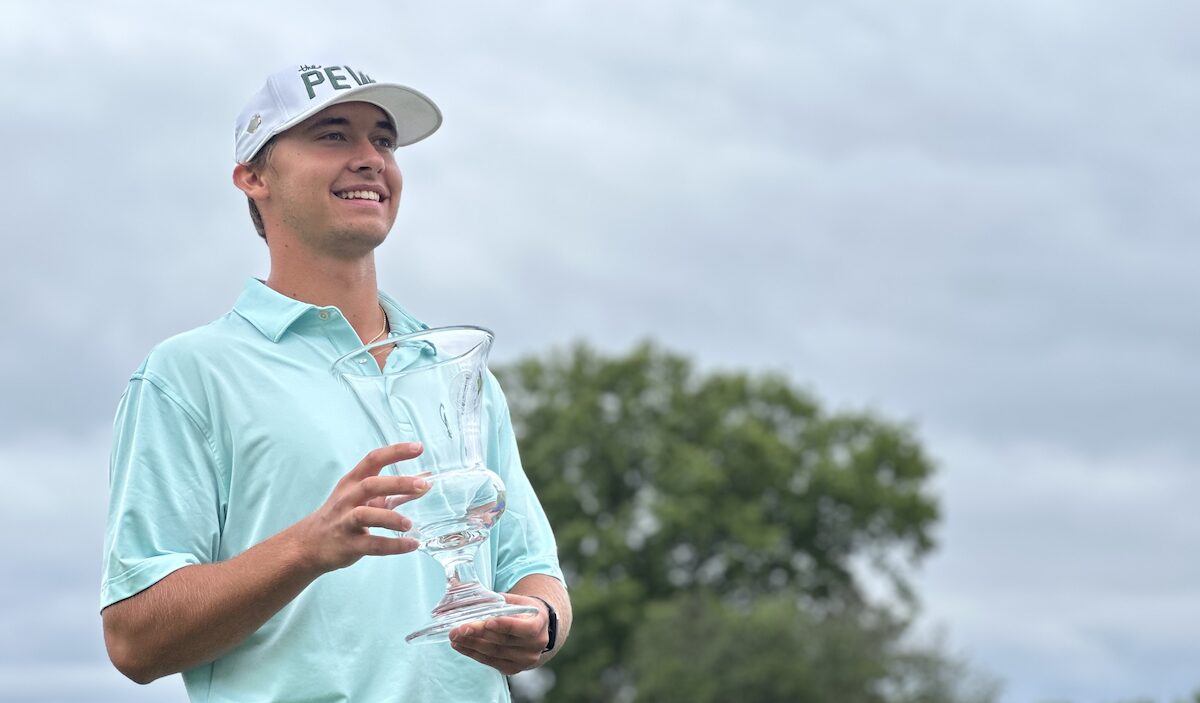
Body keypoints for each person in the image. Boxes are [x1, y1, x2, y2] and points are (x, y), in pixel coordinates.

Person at [100, 61, 570, 703]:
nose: (370, 158)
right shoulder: (187, 374)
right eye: (332, 135)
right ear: (253, 176)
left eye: (384, 140)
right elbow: (134, 641)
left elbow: (534, 571)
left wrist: (540, 625)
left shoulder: (457, 373)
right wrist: (307, 547)